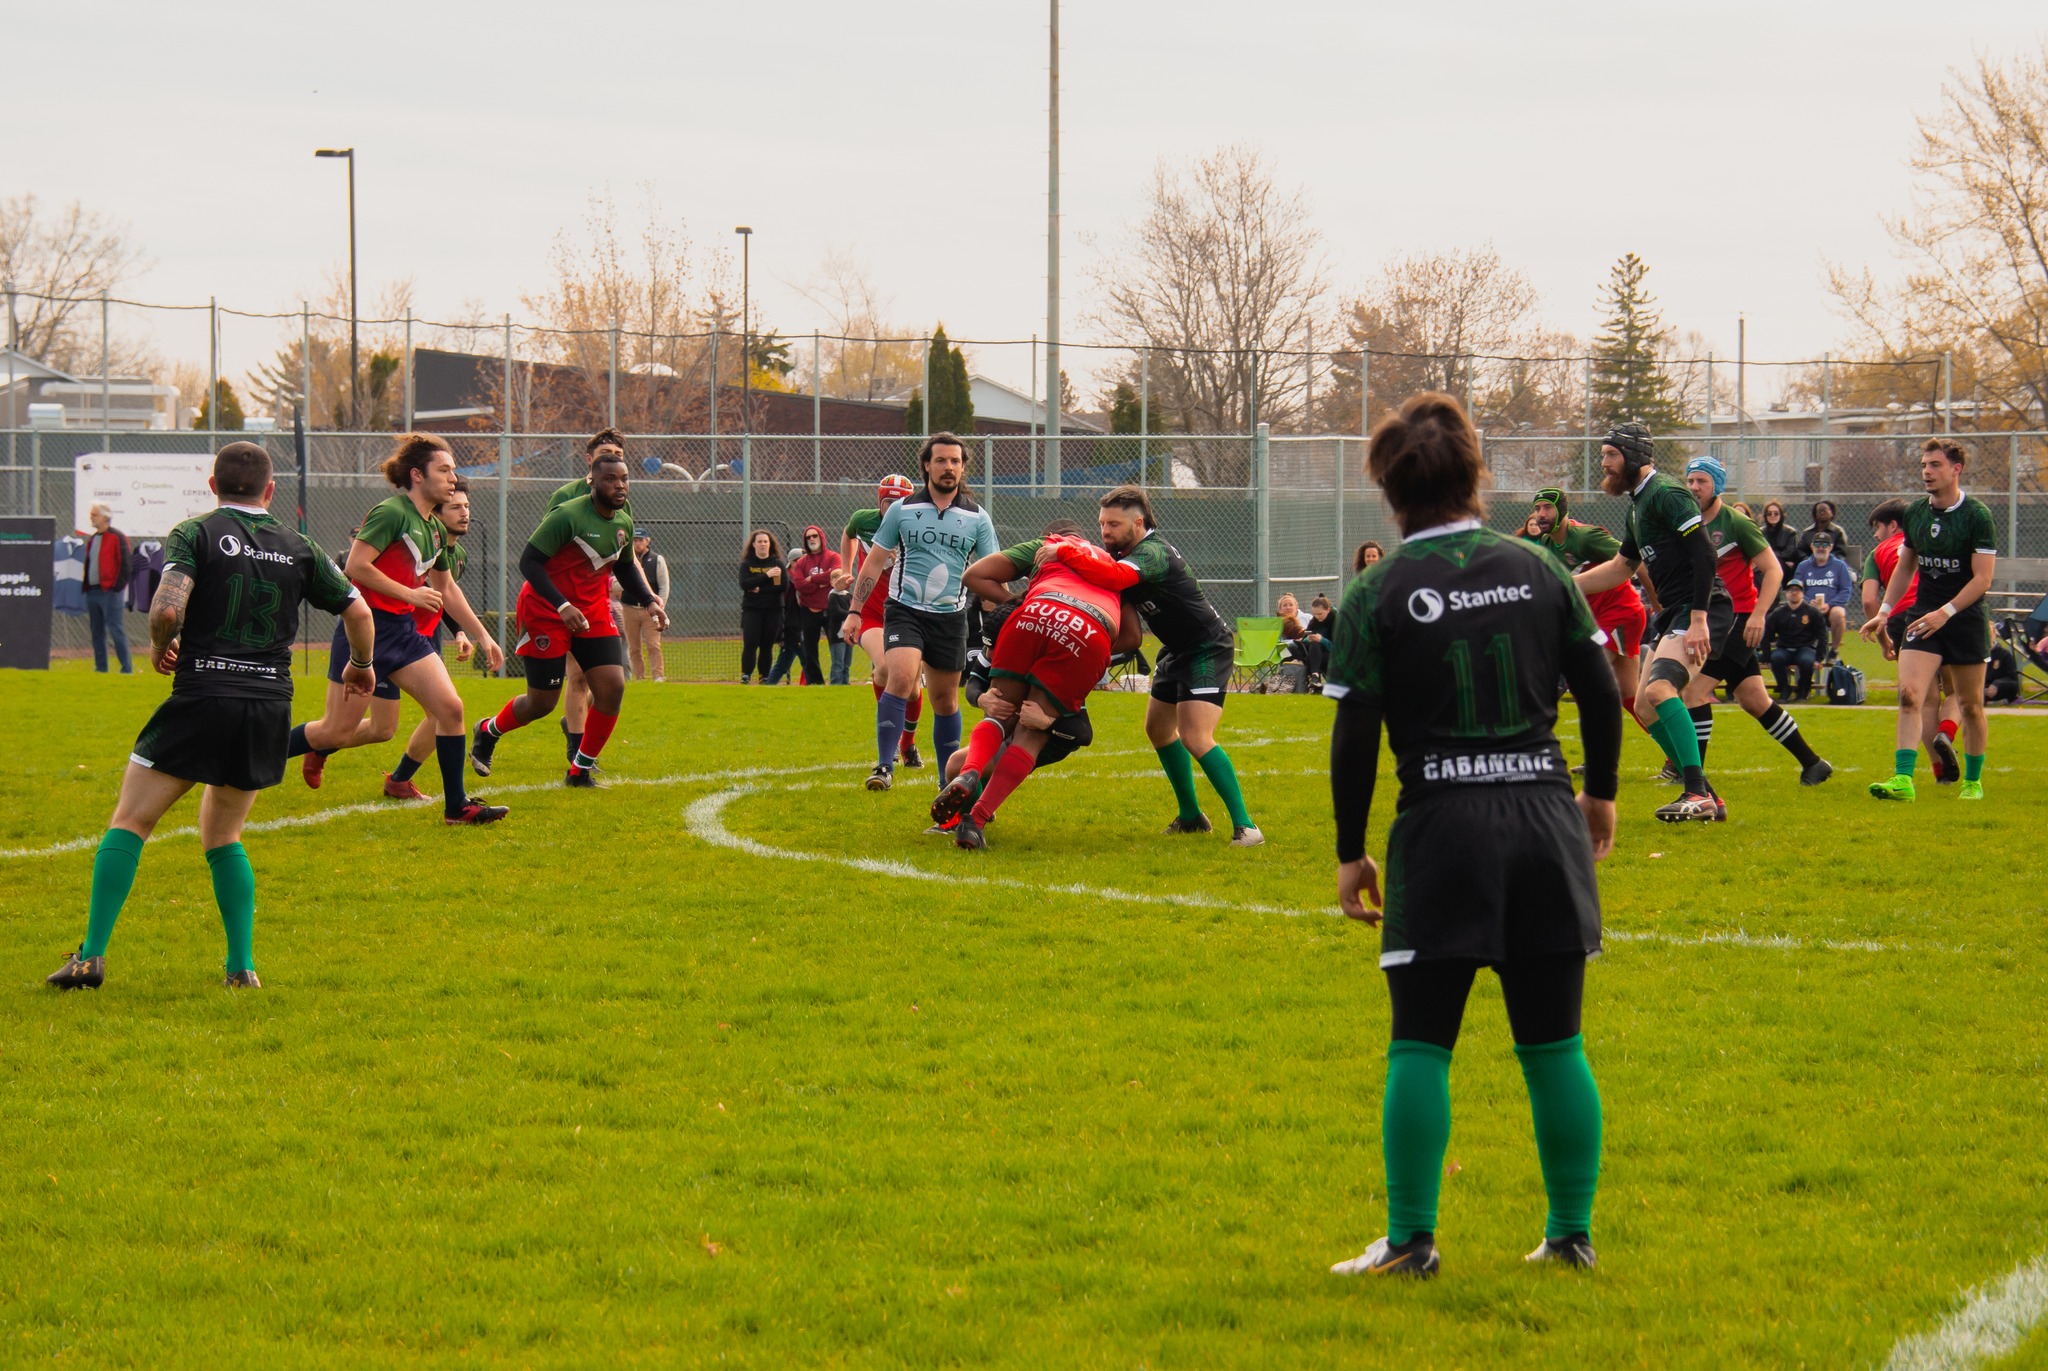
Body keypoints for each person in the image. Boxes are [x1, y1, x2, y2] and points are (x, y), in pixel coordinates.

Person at [1323, 393, 1621, 1280]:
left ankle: (1412, 1239)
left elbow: (1354, 734)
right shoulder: (1538, 566)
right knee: (1554, 1042)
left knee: (1421, 1041)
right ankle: (1571, 1234)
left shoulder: (1376, 589)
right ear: (1475, 474)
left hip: (1442, 826)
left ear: (1388, 485)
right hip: (1542, 816)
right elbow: (1601, 689)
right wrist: (1598, 795)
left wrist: (1350, 847)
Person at [46, 442, 373, 991]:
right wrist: (361, 666)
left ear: (211, 482)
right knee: (225, 835)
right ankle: (241, 968)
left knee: (131, 821)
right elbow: (358, 610)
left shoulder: (195, 531)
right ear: (270, 490)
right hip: (268, 703)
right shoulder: (301, 546)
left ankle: (91, 958)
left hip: (203, 695)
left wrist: (159, 644)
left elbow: (169, 607)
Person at [285, 433, 507, 826]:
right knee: (336, 731)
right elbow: (356, 567)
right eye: (444, 470)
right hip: (364, 630)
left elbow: (446, 588)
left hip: (403, 633)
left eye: (454, 470)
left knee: (450, 709)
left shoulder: (434, 528)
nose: (453, 478)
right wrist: (410, 592)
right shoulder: (391, 512)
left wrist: (481, 634)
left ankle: (457, 808)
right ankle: (246, 755)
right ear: (417, 475)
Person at [935, 522, 1137, 847]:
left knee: (996, 721)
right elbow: (1133, 637)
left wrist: (1022, 606)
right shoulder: (1113, 565)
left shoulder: (1047, 547)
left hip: (1035, 611)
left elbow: (975, 574)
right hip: (1088, 629)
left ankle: (970, 774)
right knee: (1028, 734)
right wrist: (1084, 643)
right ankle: (977, 818)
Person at [470, 451, 665, 787]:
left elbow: (624, 565)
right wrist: (561, 605)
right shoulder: (568, 515)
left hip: (592, 609)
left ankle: (580, 770)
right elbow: (529, 562)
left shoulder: (623, 520)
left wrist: (649, 601)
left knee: (612, 687)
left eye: (623, 478)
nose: (619, 485)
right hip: (546, 610)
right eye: (609, 479)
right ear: (592, 481)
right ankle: (488, 730)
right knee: (541, 702)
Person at [1573, 423, 1732, 823]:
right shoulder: (1637, 506)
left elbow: (1705, 556)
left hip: (1702, 608)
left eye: (1610, 454)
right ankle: (1708, 795)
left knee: (1661, 690)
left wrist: (1698, 619)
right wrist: (1564, 584)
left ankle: (1695, 793)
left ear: (1634, 456)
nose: (1604, 463)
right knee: (1645, 707)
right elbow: (1620, 567)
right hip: (1677, 612)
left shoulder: (1667, 493)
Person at [1096, 484, 1264, 845]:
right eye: (1102, 524)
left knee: (1195, 737)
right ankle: (1191, 817)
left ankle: (1247, 827)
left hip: (1206, 649)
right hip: (1175, 650)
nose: (1105, 532)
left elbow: (1114, 577)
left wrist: (1067, 555)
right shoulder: (1127, 554)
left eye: (1112, 524)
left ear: (1138, 523)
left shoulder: (1153, 553)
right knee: (1158, 730)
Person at [840, 432, 998, 790]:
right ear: (927, 465)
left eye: (955, 461)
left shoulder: (977, 518)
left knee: (945, 699)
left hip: (950, 617)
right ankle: (884, 766)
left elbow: (991, 570)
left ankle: (947, 781)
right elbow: (873, 563)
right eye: (941, 460)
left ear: (962, 468)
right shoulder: (902, 510)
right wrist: (854, 611)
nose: (949, 467)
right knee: (899, 676)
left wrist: (1000, 619)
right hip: (905, 610)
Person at [1676, 456, 1831, 794]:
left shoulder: (1735, 522)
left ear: (1717, 485)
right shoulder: (1686, 521)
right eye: (1689, 481)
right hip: (1715, 618)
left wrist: (1760, 614)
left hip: (1737, 619)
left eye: (1701, 481)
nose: (1693, 487)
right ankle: (1813, 763)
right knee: (1753, 699)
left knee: (1694, 691)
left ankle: (1694, 779)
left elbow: (1774, 570)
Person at [1862, 437, 1998, 801]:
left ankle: (1972, 782)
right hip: (1923, 617)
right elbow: (1907, 565)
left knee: (1970, 705)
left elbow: (1982, 578)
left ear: (1956, 469)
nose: (1926, 472)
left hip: (1964, 618)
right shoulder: (1916, 514)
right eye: (1924, 465)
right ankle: (1903, 780)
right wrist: (1885, 612)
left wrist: (1947, 612)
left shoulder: (1977, 516)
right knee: (1909, 695)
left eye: (1934, 465)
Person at [383, 477, 505, 801]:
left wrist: (462, 631)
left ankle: (406, 783)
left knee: (444, 711)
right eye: (455, 506)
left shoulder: (455, 555)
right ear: (435, 513)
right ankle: (315, 746)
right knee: (371, 728)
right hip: (389, 635)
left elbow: (446, 595)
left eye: (466, 506)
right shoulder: (413, 539)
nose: (464, 512)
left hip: (422, 640)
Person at [1523, 488, 1650, 730]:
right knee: (1630, 697)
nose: (1541, 514)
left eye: (1547, 508)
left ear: (1562, 510)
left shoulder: (1584, 537)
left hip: (1622, 613)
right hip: (1597, 620)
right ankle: (1676, 758)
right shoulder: (1548, 543)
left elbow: (1635, 561)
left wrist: (1656, 602)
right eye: (1537, 508)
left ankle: (1597, 755)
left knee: (1585, 675)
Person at [543, 430, 634, 763]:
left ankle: (575, 725)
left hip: (602, 600)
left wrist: (649, 596)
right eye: (604, 453)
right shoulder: (565, 498)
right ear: (589, 460)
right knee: (577, 675)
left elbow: (625, 554)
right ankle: (577, 747)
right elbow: (546, 550)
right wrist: (561, 599)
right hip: (568, 600)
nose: (611, 457)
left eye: (617, 454)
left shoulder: (621, 500)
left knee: (609, 681)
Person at [1864, 499, 1962, 784]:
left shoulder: (1877, 553)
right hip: (1940, 612)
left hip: (1901, 618)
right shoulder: (1930, 538)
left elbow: (1870, 600)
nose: (1875, 535)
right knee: (1955, 689)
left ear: (1893, 525)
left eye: (1877, 528)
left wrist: (1884, 640)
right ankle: (1947, 732)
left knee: (1925, 700)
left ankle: (1941, 772)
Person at [842, 475, 927, 765]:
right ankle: (888, 743)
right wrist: (844, 568)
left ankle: (908, 743)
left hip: (909, 612)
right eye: (888, 502)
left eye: (900, 502)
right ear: (879, 502)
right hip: (872, 612)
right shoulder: (864, 521)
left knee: (913, 685)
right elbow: (849, 533)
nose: (893, 509)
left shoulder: (921, 526)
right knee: (885, 669)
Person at [82, 503, 134, 674]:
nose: (91, 517)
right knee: (96, 632)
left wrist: (117, 587)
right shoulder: (93, 539)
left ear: (105, 517)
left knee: (115, 629)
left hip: (110, 592)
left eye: (94, 514)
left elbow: (126, 563)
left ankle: (126, 668)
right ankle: (101, 667)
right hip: (93, 591)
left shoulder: (116, 537)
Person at [1790, 534, 1857, 659]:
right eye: (1817, 544)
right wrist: (1809, 602)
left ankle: (1834, 650)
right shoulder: (1803, 566)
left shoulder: (1840, 566)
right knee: (1797, 613)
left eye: (1825, 544)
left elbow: (1846, 590)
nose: (1821, 548)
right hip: (1809, 607)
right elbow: (1796, 589)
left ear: (1831, 547)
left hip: (1832, 606)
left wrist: (1829, 604)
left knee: (1838, 614)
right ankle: (1804, 650)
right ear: (1811, 546)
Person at [1762, 583, 1830, 700]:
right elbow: (1766, 636)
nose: (1794, 593)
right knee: (1776, 659)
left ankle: (1803, 689)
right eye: (1791, 590)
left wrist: (1819, 658)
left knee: (1806, 661)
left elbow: (1822, 636)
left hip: (1805, 648)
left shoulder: (1812, 612)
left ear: (1803, 593)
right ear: (1786, 594)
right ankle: (1784, 688)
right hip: (1784, 648)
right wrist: (1767, 657)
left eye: (1797, 590)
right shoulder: (1778, 613)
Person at [622, 528, 670, 683]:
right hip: (629, 608)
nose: (637, 543)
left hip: (650, 610)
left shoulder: (657, 559)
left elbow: (664, 585)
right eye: (635, 540)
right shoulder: (625, 559)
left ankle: (658, 676)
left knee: (653, 644)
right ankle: (639, 677)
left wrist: (659, 605)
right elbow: (616, 584)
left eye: (640, 540)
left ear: (647, 541)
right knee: (634, 646)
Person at [738, 529, 784, 683]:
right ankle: (746, 674)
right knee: (750, 643)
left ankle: (764, 676)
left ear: (770, 544)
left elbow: (782, 587)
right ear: (753, 544)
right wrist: (766, 576)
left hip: (773, 610)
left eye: (765, 541)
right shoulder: (747, 564)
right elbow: (745, 584)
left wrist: (760, 589)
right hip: (752, 610)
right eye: (760, 541)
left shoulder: (777, 564)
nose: (763, 544)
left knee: (767, 645)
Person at [1796, 500, 1854, 568]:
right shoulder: (1807, 532)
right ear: (1815, 515)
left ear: (1832, 513)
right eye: (1819, 511)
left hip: (1833, 563)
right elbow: (1800, 551)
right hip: (1810, 564)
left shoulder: (1838, 531)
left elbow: (1840, 552)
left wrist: (1825, 560)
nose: (1822, 513)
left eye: (1825, 510)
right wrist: (1809, 560)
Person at [1759, 500, 1802, 585]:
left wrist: (1771, 556)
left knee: (1779, 564)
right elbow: (1759, 550)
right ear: (1765, 515)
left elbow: (1789, 553)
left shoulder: (1790, 532)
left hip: (1783, 566)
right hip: (1764, 564)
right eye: (1769, 513)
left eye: (1776, 513)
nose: (1772, 516)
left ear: (1781, 515)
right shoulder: (1760, 532)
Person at [825, 571, 854, 685]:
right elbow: (836, 612)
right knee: (838, 663)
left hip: (848, 634)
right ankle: (836, 683)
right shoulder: (833, 596)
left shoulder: (848, 595)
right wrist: (851, 614)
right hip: (837, 634)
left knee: (847, 663)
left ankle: (845, 683)